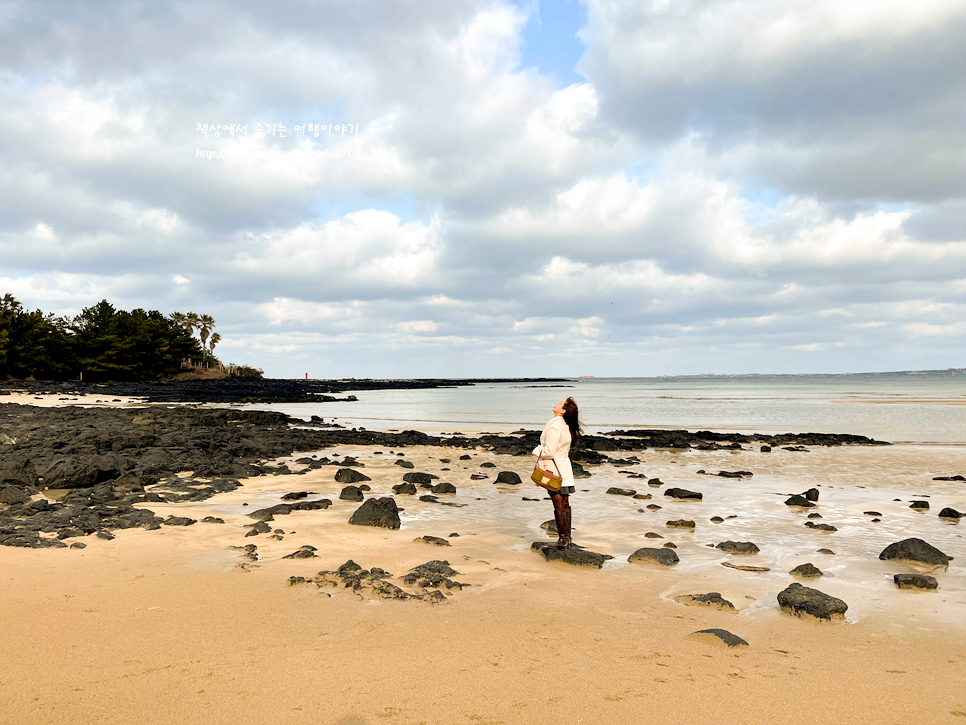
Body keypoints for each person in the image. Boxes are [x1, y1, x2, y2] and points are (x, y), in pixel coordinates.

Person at [533, 397, 582, 549]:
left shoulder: (554, 426)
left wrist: (536, 450)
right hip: (564, 468)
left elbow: (549, 452)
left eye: (561, 403)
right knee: (565, 503)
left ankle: (563, 541)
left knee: (559, 504)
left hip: (554, 470)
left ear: (563, 411)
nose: (557, 402)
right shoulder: (566, 425)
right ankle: (567, 539)